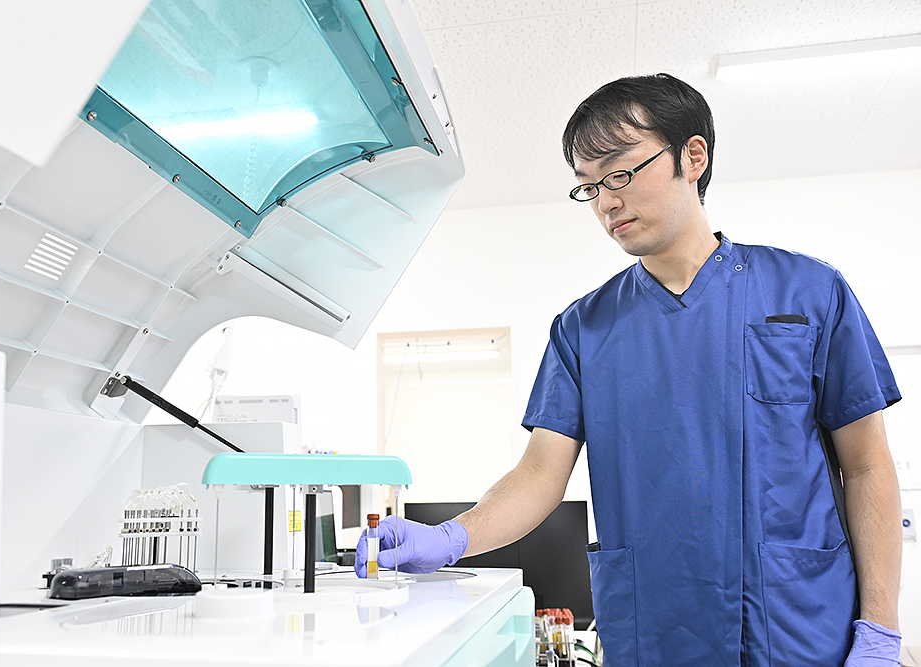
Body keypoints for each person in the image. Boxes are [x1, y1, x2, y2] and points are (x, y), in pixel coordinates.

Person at [356, 73, 903, 666]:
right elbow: (539, 476)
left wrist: (880, 629)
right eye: (589, 187)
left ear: (692, 157)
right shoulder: (583, 330)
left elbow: (867, 465)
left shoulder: (809, 292)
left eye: (619, 174)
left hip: (799, 627)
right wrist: (451, 537)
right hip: (658, 634)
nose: (606, 203)